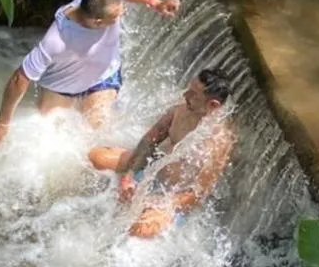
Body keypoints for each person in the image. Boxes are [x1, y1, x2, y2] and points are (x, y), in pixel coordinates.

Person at [0, 0, 180, 144]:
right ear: (97, 23)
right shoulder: (56, 40)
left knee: (94, 137)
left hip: (102, 79)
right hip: (61, 87)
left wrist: (155, 3)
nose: (123, 13)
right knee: (47, 140)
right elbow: (20, 78)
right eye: (118, 14)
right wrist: (2, 121)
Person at [89, 68, 235, 239]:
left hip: (174, 198)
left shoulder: (219, 141)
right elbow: (149, 141)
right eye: (189, 89)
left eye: (193, 94)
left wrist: (164, 203)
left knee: (141, 229)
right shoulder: (180, 111)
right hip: (153, 171)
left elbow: (199, 194)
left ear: (212, 105)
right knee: (96, 157)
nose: (185, 95)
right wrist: (130, 175)